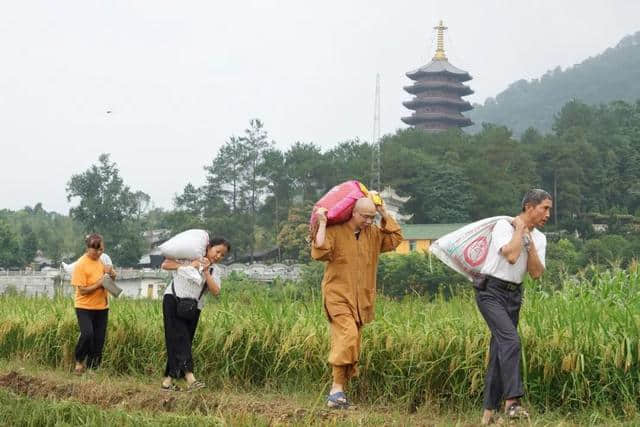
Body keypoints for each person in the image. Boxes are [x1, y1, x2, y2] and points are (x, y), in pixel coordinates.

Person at [311, 197, 403, 408]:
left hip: (362, 299)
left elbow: (396, 239)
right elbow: (319, 251)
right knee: (348, 336)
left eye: (372, 217)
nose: (369, 221)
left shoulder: (373, 234)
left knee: (352, 343)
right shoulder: (335, 231)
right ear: (353, 213)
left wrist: (383, 212)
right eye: (366, 216)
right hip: (337, 296)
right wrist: (323, 223)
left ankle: (339, 394)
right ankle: (336, 389)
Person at [476, 189, 552, 425]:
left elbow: (537, 273)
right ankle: (513, 402)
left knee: (500, 350)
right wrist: (519, 229)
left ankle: (488, 412)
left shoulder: (540, 238)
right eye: (545, 208)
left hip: (514, 295)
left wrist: (529, 243)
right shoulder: (503, 226)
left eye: (549, 209)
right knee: (511, 341)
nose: (548, 214)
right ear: (529, 207)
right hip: (491, 292)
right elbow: (509, 255)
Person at [160, 236, 231, 392]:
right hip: (173, 300)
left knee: (181, 341)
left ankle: (167, 381)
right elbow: (165, 264)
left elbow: (216, 291)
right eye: (217, 251)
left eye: (222, 255)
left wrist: (206, 271)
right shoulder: (190, 257)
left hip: (193, 307)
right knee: (180, 339)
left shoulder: (214, 270)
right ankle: (191, 378)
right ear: (209, 247)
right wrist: (190, 265)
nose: (218, 256)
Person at [71, 233, 117, 374]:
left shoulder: (102, 262)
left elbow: (109, 282)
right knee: (87, 334)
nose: (98, 252)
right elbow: (82, 290)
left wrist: (112, 275)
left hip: (102, 307)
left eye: (101, 249)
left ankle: (93, 368)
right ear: (88, 248)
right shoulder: (80, 265)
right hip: (84, 307)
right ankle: (79, 360)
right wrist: (99, 284)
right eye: (95, 249)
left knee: (99, 339)